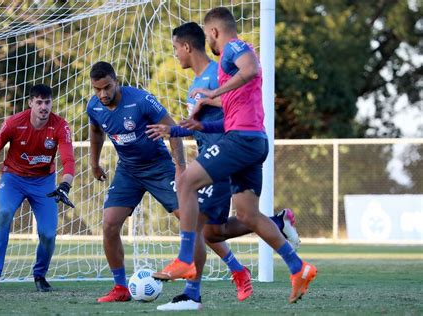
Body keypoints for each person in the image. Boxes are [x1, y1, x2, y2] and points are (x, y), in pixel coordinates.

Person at [153, 8, 317, 310]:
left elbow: (251, 68)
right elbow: (230, 116)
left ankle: (186, 265)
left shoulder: (234, 49)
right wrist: (195, 124)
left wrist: (213, 92)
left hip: (240, 142)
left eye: (207, 36)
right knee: (246, 216)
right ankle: (298, 267)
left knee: (186, 182)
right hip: (249, 140)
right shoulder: (225, 70)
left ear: (214, 32)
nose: (209, 44)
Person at [88, 61, 257, 303]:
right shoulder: (94, 106)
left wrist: (180, 168)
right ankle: (120, 288)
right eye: (97, 89)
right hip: (128, 171)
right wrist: (94, 163)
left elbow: (172, 129)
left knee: (195, 223)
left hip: (159, 168)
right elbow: (96, 132)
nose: (102, 94)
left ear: (117, 82)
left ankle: (238, 270)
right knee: (109, 225)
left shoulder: (142, 100)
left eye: (106, 87)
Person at [0, 84, 76, 293]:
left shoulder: (60, 126)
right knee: (3, 213)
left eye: (47, 102)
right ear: (30, 103)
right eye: (39, 102)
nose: (43, 107)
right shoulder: (13, 123)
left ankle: (40, 275)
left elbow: (68, 159)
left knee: (48, 234)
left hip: (44, 182)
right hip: (13, 179)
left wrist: (65, 184)